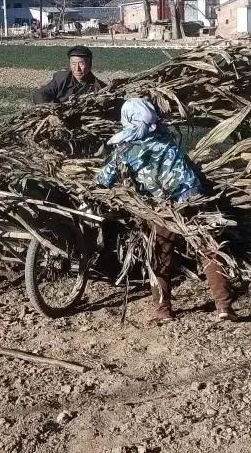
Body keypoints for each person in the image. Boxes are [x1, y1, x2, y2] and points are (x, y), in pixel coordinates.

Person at [96, 98, 239, 323]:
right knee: (208, 251)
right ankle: (224, 306)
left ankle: (163, 311)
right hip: (194, 198)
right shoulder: (163, 135)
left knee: (159, 255)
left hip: (165, 208)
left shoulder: (126, 148)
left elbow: (103, 180)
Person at [32, 46, 106, 104]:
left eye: (81, 64)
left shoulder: (100, 88)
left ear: (90, 65)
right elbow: (39, 95)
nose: (77, 68)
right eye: (73, 64)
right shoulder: (60, 79)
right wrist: (50, 112)